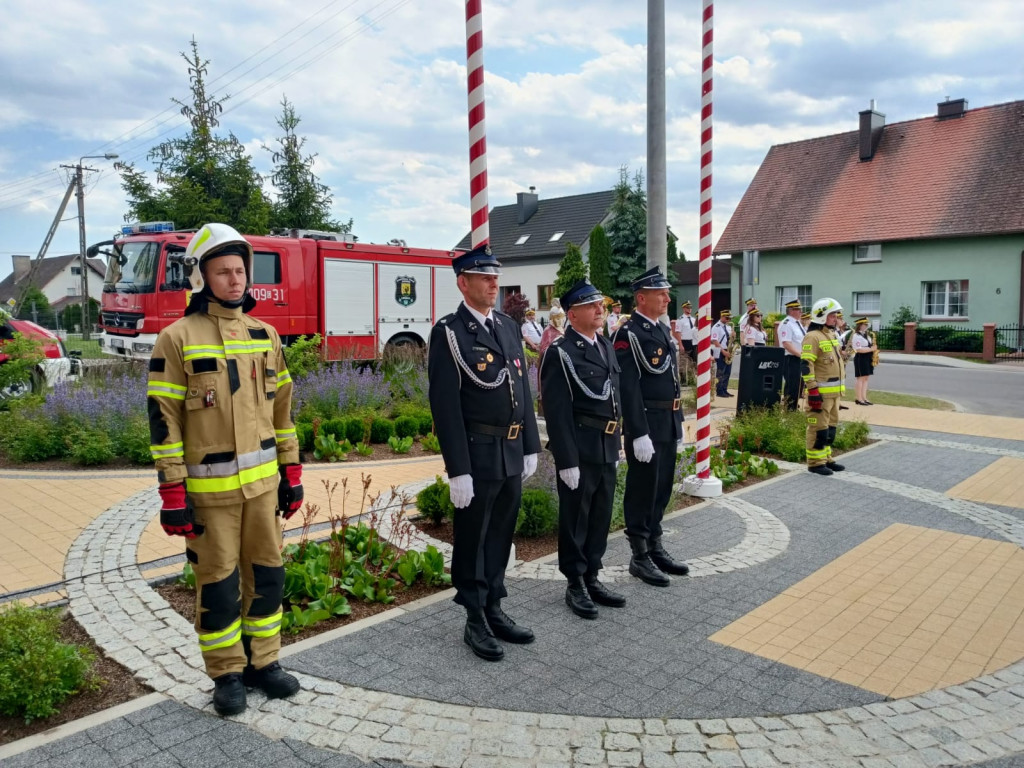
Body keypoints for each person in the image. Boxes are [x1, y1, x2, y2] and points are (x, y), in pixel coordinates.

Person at [146, 223, 302, 716]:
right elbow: (163, 420)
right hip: (209, 497)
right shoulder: (176, 338)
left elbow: (283, 412)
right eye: (222, 272)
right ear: (202, 277)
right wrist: (173, 495)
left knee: (269, 579)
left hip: (262, 491)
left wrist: (291, 475)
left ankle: (265, 663)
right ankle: (227, 673)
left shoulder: (266, 335)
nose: (235, 281)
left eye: (239, 271)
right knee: (217, 587)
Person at [427, 243, 541, 662]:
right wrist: (458, 469)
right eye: (484, 276)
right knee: (473, 538)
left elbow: (523, 390)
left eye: (496, 276)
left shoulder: (507, 327)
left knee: (500, 533)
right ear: (463, 282)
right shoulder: (450, 332)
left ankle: (495, 605)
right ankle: (474, 617)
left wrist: (530, 444)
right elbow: (445, 404)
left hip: (510, 449)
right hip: (477, 453)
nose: (495, 282)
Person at [541, 279, 626, 619]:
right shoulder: (561, 353)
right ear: (573, 314)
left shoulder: (604, 346)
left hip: (605, 445)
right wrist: (566, 460)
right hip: (580, 448)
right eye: (592, 306)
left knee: (601, 515)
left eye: (601, 305)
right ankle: (574, 582)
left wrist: (617, 443)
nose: (600, 310)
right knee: (577, 517)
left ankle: (592, 574)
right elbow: (557, 411)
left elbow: (614, 399)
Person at [613, 266, 689, 588]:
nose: (667, 298)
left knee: (662, 487)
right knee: (643, 488)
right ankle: (639, 554)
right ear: (641, 298)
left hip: (667, 420)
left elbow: (669, 379)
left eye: (667, 292)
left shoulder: (660, 330)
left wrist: (678, 420)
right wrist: (638, 431)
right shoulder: (628, 334)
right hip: (646, 423)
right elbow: (627, 387)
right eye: (661, 293)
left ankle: (655, 544)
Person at [801, 297, 847, 476]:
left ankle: (826, 458)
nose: (836, 318)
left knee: (830, 428)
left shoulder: (830, 334)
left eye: (836, 314)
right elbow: (806, 365)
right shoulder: (812, 337)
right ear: (821, 316)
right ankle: (815, 463)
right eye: (832, 315)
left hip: (834, 394)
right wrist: (812, 390)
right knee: (818, 429)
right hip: (819, 394)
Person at [776, 299, 805, 410]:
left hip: (798, 357)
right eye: (799, 310)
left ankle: (793, 405)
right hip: (790, 358)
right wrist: (799, 354)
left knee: (798, 384)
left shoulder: (797, 323)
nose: (801, 312)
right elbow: (786, 343)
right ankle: (789, 408)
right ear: (792, 310)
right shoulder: (787, 324)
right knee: (792, 384)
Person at [851, 317, 878, 405]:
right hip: (860, 358)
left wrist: (873, 350)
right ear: (860, 325)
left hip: (868, 357)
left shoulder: (867, 335)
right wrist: (871, 349)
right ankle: (859, 399)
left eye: (867, 324)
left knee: (866, 378)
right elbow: (858, 350)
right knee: (861, 378)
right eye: (864, 324)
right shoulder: (856, 336)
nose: (866, 326)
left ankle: (864, 397)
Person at [710, 309, 734, 398]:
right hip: (720, 350)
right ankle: (719, 390)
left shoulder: (728, 326)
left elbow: (729, 339)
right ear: (722, 316)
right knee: (721, 371)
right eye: (727, 318)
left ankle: (725, 389)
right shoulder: (716, 327)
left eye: (729, 318)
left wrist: (733, 336)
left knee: (727, 371)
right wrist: (723, 351)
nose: (729, 320)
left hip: (728, 350)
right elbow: (715, 340)